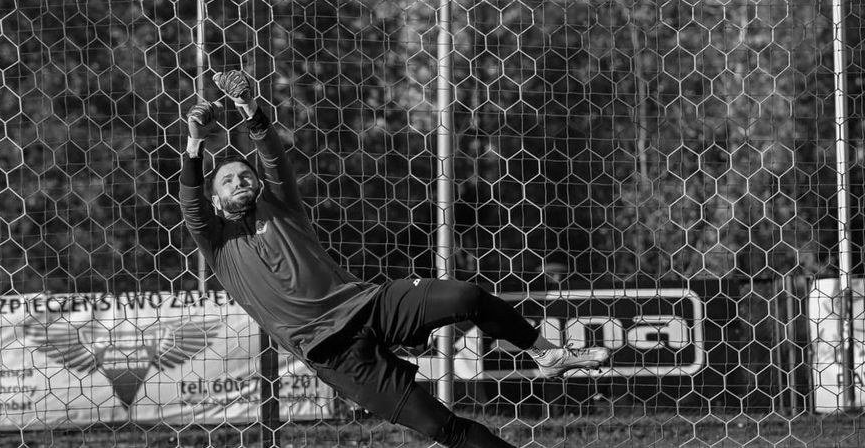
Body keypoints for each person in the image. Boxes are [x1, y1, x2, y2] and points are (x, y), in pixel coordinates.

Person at [179, 70, 610, 448]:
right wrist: (195, 142)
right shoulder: (218, 247)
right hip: (335, 357)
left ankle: (544, 353)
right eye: (228, 180)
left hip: (367, 305)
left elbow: (273, 157)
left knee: (467, 297)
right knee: (444, 428)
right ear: (216, 201)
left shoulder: (281, 207)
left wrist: (248, 106)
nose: (240, 180)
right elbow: (190, 200)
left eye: (245, 175)